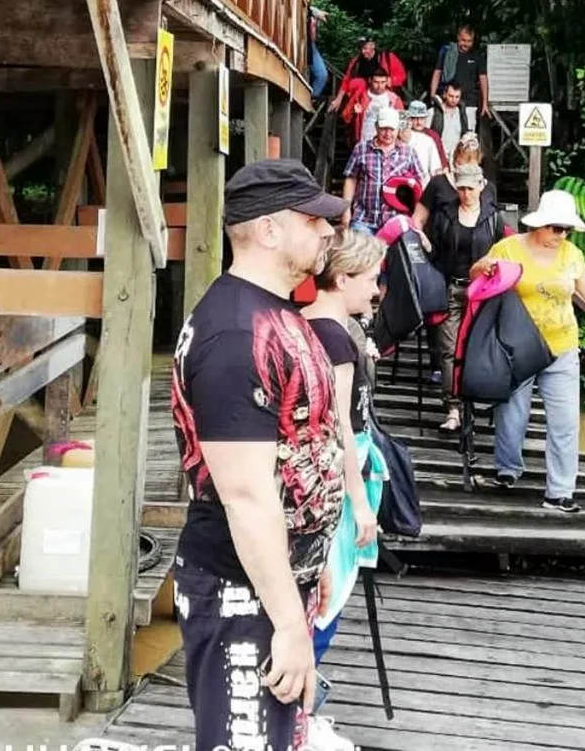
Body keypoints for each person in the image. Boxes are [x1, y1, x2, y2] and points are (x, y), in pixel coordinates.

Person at [170, 159, 348, 751]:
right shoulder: (235, 335)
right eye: (314, 218)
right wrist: (292, 628)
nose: (329, 230)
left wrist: (315, 555)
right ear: (269, 229)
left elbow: (303, 447)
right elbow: (245, 496)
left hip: (273, 581)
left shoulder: (277, 310)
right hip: (237, 590)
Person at [470, 188, 585, 514]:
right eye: (555, 228)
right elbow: (476, 280)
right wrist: (483, 267)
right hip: (518, 346)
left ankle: (560, 493)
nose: (560, 235)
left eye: (566, 229)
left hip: (562, 346)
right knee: (512, 414)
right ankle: (507, 471)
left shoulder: (570, 255)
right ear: (540, 224)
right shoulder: (509, 248)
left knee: (565, 422)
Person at [301, 231, 386, 751]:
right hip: (336, 473)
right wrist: (359, 502)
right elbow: (337, 427)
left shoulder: (312, 323)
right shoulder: (333, 337)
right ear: (342, 277)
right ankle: (297, 712)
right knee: (327, 597)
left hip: (318, 471)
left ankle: (295, 710)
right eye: (371, 279)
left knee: (314, 593)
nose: (376, 290)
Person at [426, 163, 507, 432]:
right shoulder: (444, 215)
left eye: (470, 188)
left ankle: (472, 403)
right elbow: (433, 252)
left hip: (482, 292)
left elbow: (503, 253)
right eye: (460, 188)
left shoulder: (494, 218)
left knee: (475, 348)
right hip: (450, 287)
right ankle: (452, 408)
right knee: (448, 349)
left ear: (481, 186)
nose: (465, 194)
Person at [341, 107, 422, 234]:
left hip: (396, 221)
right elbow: (351, 179)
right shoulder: (361, 149)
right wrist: (346, 211)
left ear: (398, 129)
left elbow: (420, 183)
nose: (388, 134)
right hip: (363, 219)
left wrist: (416, 218)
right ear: (376, 127)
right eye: (384, 129)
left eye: (392, 129)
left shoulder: (409, 152)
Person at [415, 133, 497, 232]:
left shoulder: (489, 188)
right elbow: (418, 218)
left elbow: (493, 222)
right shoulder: (438, 183)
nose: (466, 172)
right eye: (462, 165)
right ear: (455, 161)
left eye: (471, 167)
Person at [328, 37, 405, 116]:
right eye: (361, 48)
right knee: (360, 83)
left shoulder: (387, 57)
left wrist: (390, 81)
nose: (363, 51)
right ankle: (349, 113)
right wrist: (338, 99)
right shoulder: (356, 61)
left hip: (384, 95)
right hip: (363, 99)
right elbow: (346, 81)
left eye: (365, 48)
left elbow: (401, 75)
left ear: (373, 45)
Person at [429, 24, 489, 117]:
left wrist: (485, 103)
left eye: (469, 41)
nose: (466, 44)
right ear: (458, 37)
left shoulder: (477, 55)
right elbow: (437, 73)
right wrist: (433, 96)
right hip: (446, 101)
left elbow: (483, 79)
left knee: (468, 131)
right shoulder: (447, 52)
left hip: (469, 102)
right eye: (463, 40)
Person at [399, 100, 445, 184]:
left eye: (422, 118)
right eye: (414, 118)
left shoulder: (431, 137)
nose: (418, 122)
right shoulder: (400, 136)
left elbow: (438, 167)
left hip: (424, 183)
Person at [431, 81, 475, 160]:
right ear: (444, 94)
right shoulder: (433, 112)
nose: (454, 100)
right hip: (438, 156)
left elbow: (466, 135)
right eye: (451, 96)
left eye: (457, 97)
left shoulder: (463, 113)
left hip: (457, 156)